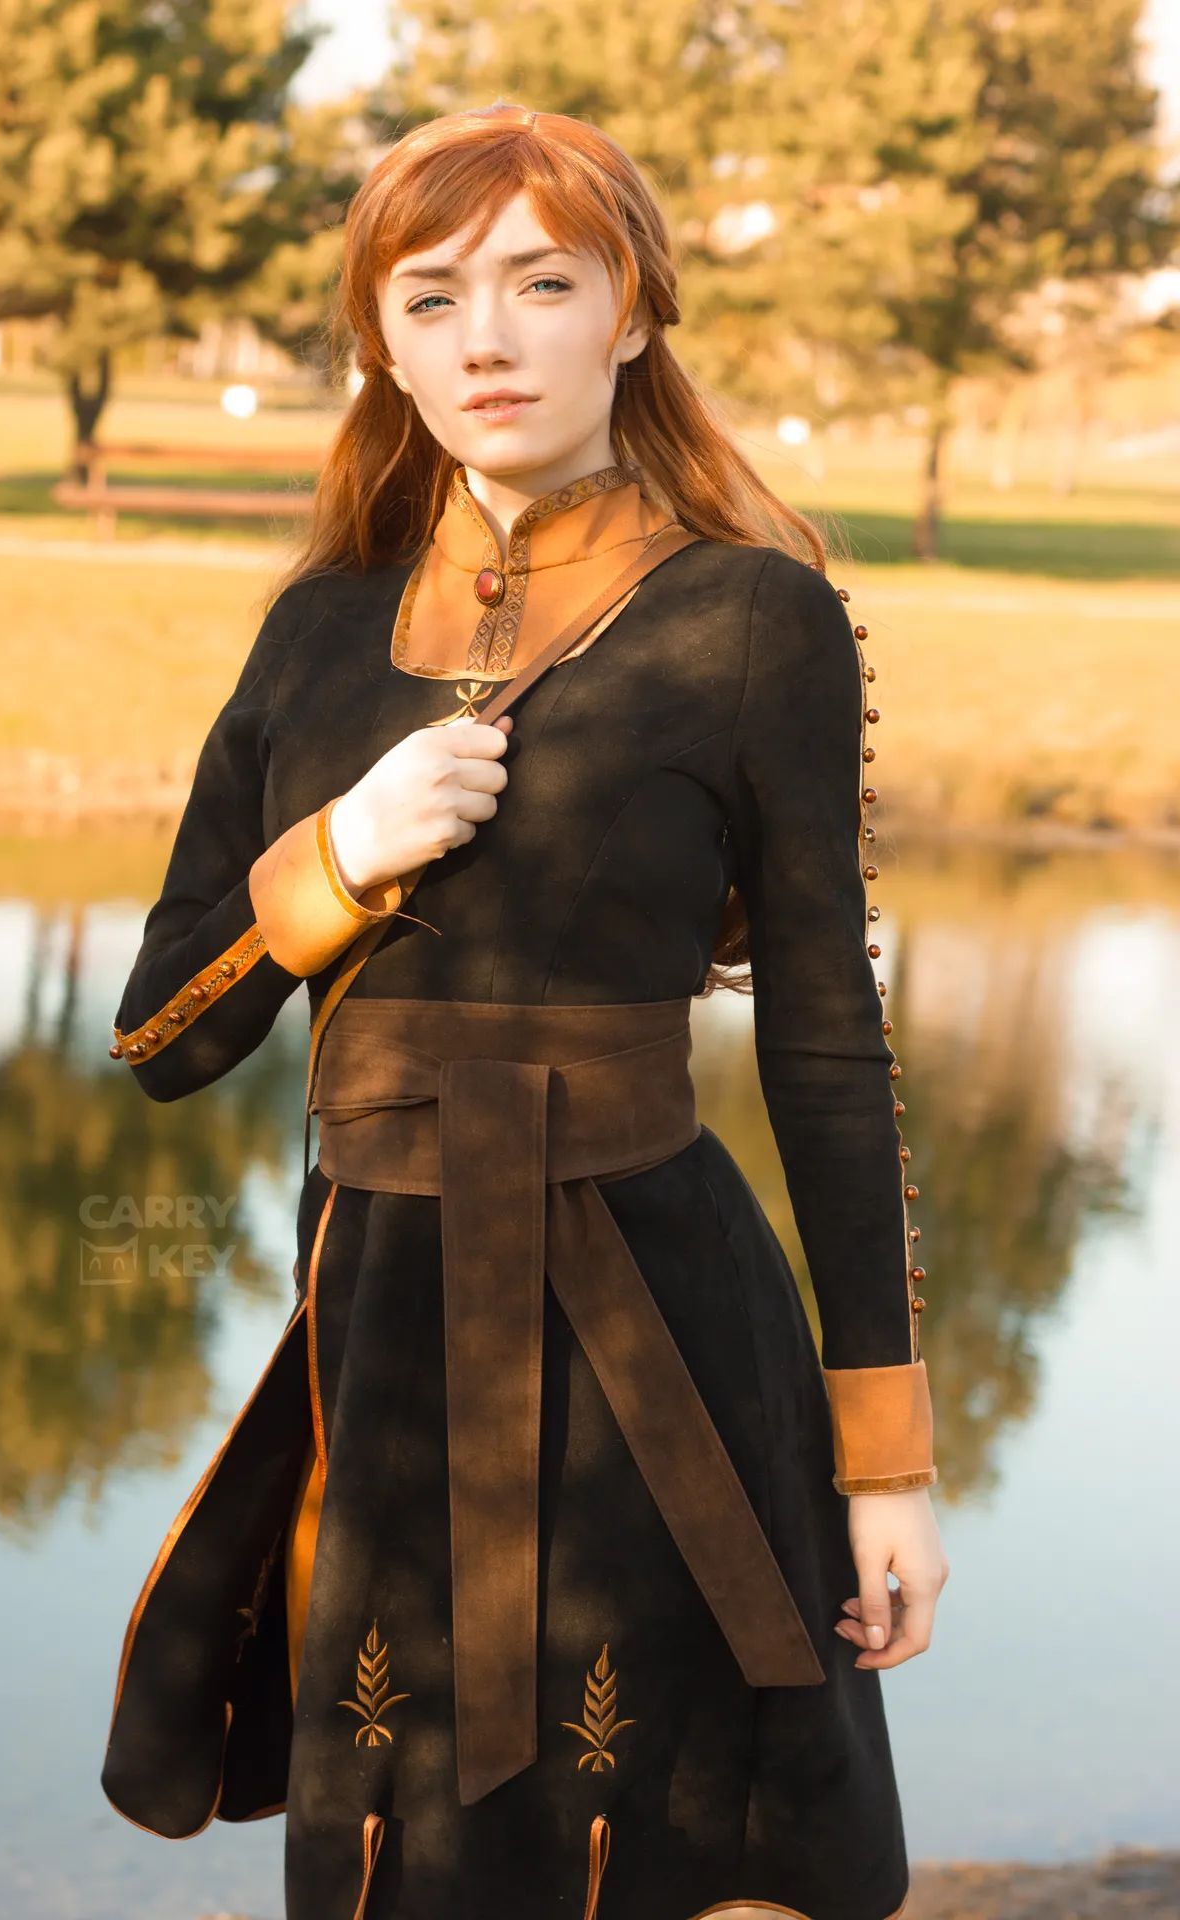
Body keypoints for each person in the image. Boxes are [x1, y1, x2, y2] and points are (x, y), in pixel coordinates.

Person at [100, 100, 949, 1920]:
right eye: (431, 298)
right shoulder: (316, 633)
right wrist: (341, 853)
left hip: (671, 1336)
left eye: (542, 284)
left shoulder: (757, 621)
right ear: (382, 344)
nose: (485, 337)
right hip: (383, 1335)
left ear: (631, 313)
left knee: (684, 1857)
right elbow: (166, 1039)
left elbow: (826, 1049)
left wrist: (889, 1465)